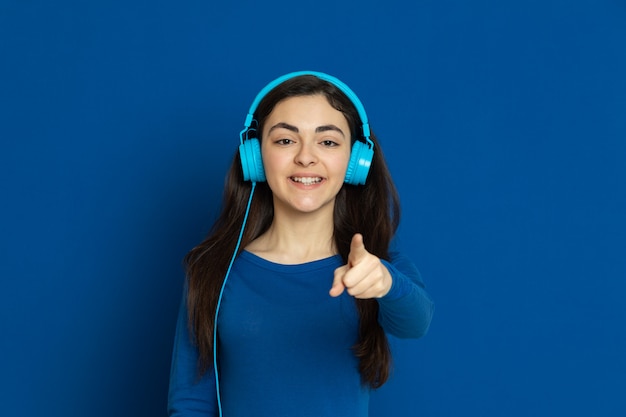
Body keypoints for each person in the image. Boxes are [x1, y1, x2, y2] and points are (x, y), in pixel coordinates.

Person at [167, 71, 434, 417]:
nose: (306, 157)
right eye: (285, 141)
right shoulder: (212, 269)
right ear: (255, 156)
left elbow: (416, 322)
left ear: (356, 162)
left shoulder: (374, 268)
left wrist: (385, 282)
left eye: (327, 142)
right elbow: (190, 402)